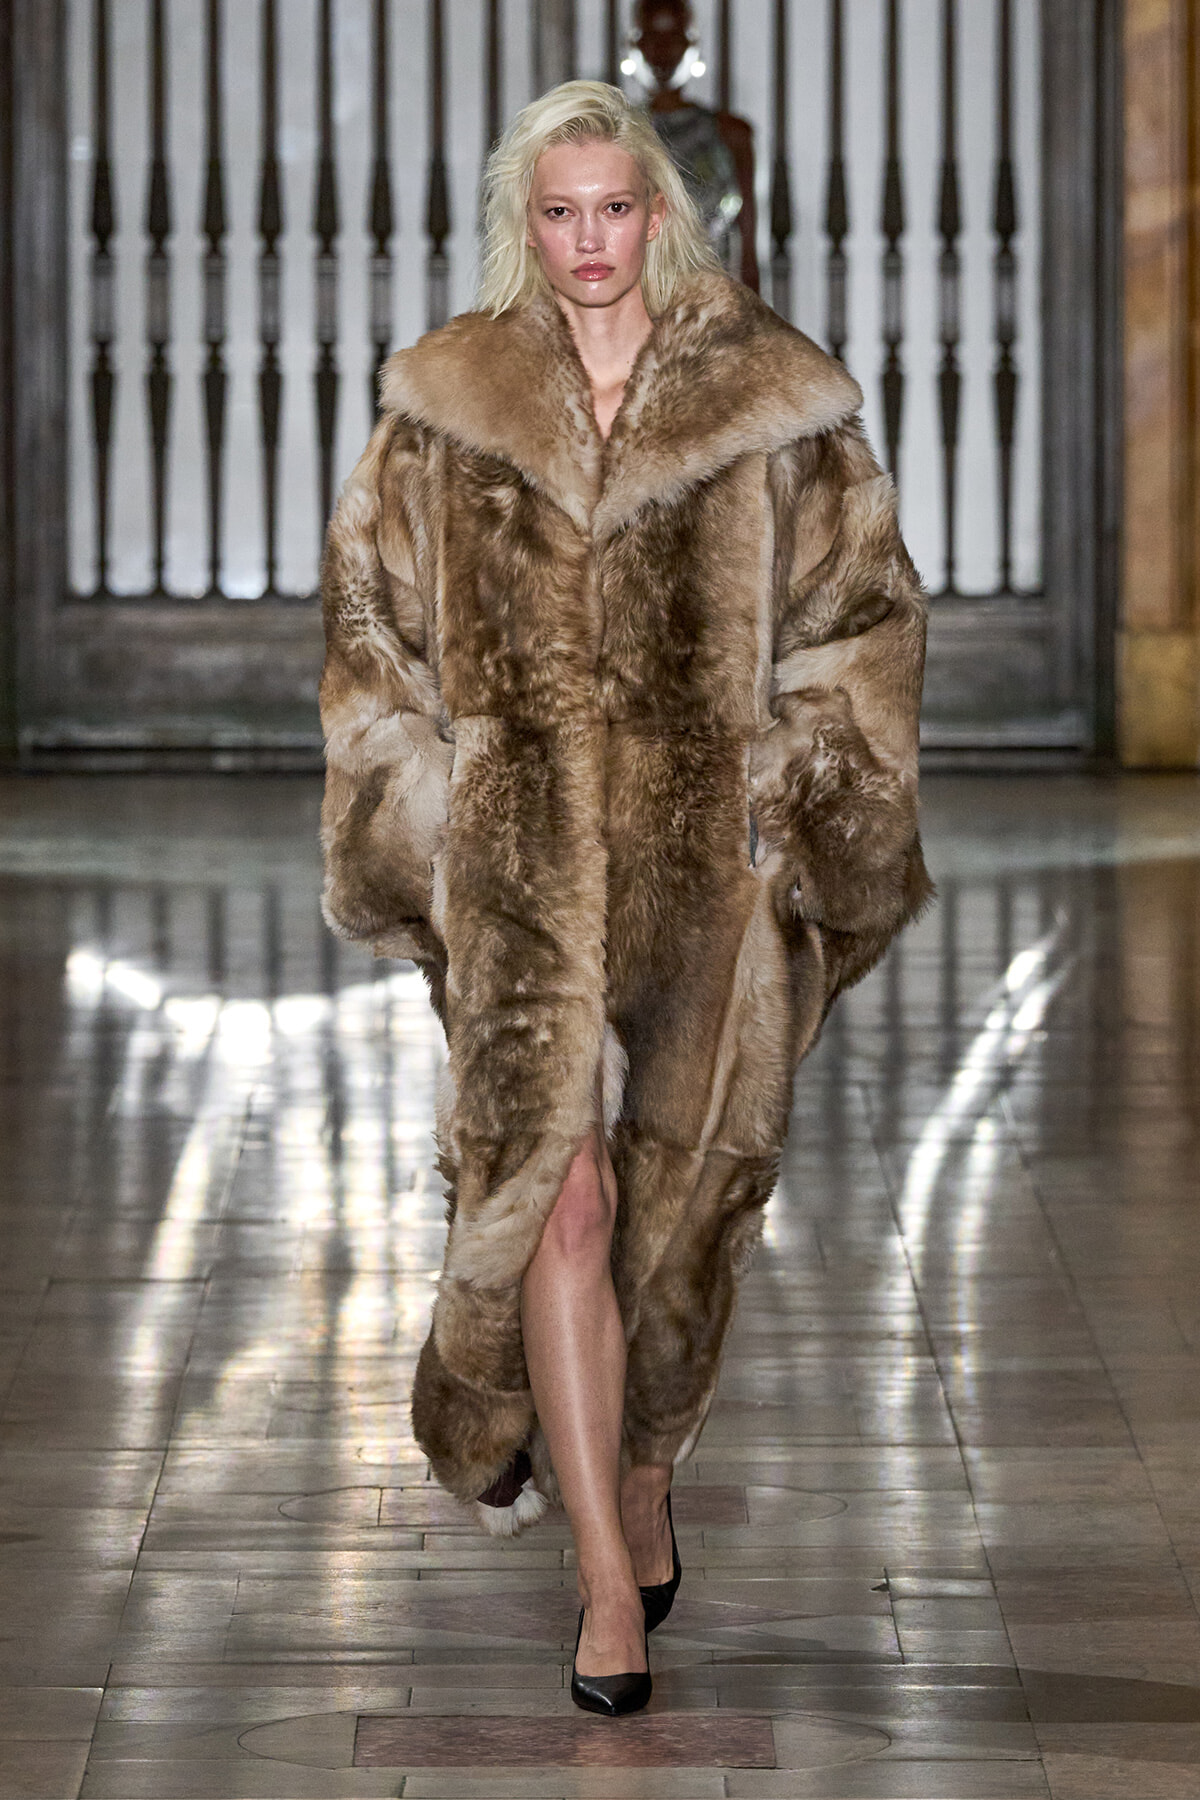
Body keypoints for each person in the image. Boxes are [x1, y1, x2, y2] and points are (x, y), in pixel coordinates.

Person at [318, 81, 932, 1717]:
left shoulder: (770, 401)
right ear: (526, 225)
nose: (589, 243)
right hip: (515, 871)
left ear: (662, 214)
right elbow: (369, 632)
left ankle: (646, 1464)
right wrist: (424, 814)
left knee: (681, 1225)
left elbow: (865, 616)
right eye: (558, 212)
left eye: (615, 209)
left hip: (707, 881)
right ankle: (602, 1576)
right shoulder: (447, 406)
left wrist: (805, 799)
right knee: (561, 1198)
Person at [630, 0, 759, 290]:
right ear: (636, 45)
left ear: (690, 44)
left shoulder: (731, 134)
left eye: (672, 38)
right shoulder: (617, 132)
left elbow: (748, 252)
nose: (662, 52)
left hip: (710, 302)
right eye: (652, 38)